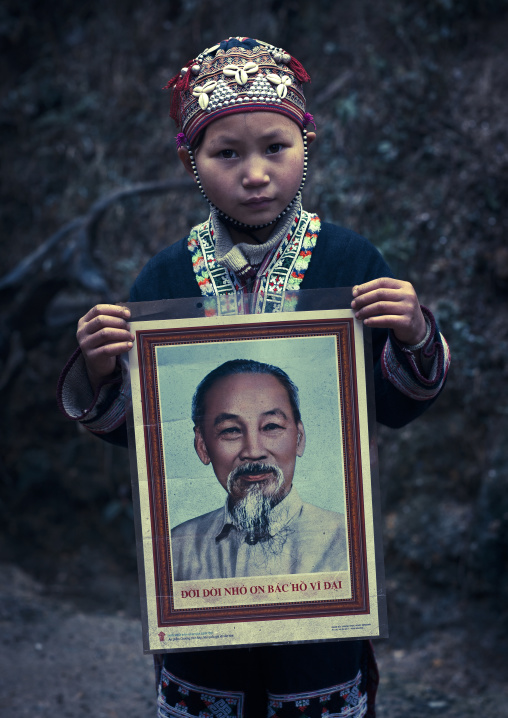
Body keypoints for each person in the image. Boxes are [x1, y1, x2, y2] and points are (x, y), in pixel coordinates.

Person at [58, 37, 450, 718]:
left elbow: (392, 406)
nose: (257, 173)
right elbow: (142, 440)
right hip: (200, 621)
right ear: (191, 161)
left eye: (276, 147)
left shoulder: (351, 262)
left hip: (324, 600)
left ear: (308, 146)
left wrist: (414, 333)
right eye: (227, 154)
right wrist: (99, 366)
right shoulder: (163, 280)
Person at [171, 358, 347, 581]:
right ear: (202, 446)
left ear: (299, 439)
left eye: (271, 426)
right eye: (231, 430)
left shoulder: (346, 539)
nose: (253, 451)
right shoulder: (176, 548)